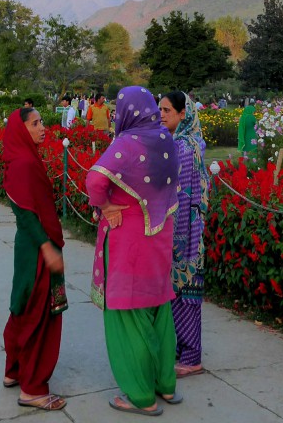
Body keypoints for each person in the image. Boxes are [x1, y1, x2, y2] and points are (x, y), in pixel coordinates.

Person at [86, 86, 180, 415]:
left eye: (117, 109)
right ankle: (165, 386)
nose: (114, 114)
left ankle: (140, 396)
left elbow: (94, 180)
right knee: (158, 308)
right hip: (161, 238)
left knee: (128, 312)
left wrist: (107, 205)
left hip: (129, 239)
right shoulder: (166, 138)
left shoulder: (126, 143)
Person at [1, 107, 68, 412]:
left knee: (24, 305)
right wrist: (47, 248)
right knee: (40, 314)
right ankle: (33, 389)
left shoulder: (23, 159)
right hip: (37, 248)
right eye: (36, 123)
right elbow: (26, 215)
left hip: (29, 248)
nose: (43, 128)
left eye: (42, 122)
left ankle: (13, 370)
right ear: (21, 130)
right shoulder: (25, 163)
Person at [159, 91, 209, 379]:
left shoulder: (183, 147)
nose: (162, 114)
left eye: (167, 110)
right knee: (176, 292)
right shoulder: (184, 142)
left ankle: (191, 356)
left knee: (185, 291)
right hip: (181, 228)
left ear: (183, 114)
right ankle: (183, 350)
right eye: (160, 110)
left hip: (184, 231)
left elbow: (180, 193)